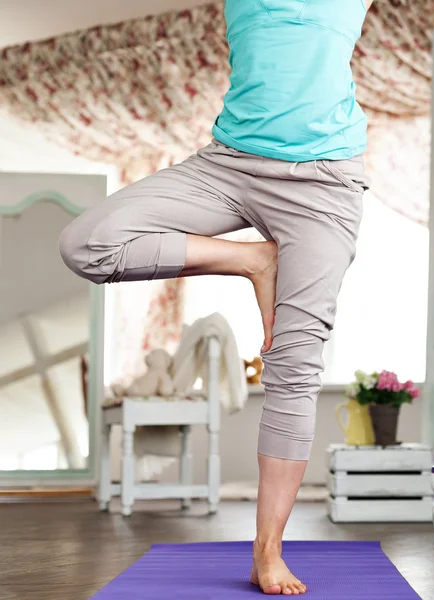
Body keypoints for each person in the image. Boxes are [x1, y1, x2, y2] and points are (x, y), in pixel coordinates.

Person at [59, 0, 374, 595]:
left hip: (324, 179)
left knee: (294, 361)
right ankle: (250, 259)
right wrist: (246, 253)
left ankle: (267, 551)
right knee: (86, 244)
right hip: (229, 166)